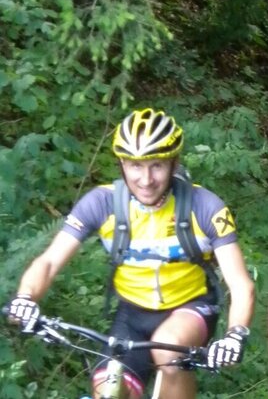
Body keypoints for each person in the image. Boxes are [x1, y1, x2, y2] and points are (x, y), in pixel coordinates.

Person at [6, 108, 255, 399]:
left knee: (167, 347)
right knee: (108, 388)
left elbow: (241, 285)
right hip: (132, 314)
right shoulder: (101, 203)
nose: (146, 179)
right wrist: (26, 298)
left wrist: (235, 335)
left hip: (191, 307)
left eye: (157, 166)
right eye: (135, 166)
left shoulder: (205, 207)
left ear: (174, 163)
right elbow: (49, 262)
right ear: (122, 164)